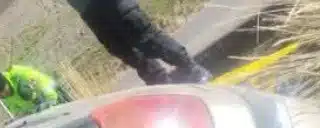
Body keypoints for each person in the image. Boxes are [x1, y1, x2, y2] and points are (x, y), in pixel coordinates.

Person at [65, 0, 211, 85]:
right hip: (89, 11)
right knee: (123, 50)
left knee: (147, 38)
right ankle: (161, 83)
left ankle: (192, 70)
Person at [0, 65, 64, 118]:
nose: (0, 96)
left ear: (5, 83)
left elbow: (43, 83)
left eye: (0, 92)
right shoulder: (4, 97)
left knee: (24, 91)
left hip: (53, 95)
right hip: (38, 112)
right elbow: (17, 111)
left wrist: (51, 100)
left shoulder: (20, 75)